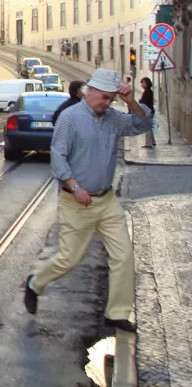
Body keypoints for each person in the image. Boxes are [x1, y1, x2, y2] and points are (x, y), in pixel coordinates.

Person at [24, 68, 153, 333]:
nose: (106, 103)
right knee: (69, 259)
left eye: (111, 98)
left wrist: (130, 102)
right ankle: (35, 283)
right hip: (77, 202)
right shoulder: (70, 118)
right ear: (89, 91)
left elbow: (144, 124)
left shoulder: (113, 118)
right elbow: (58, 155)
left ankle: (116, 313)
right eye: (103, 97)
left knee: (123, 255)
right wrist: (73, 184)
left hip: (106, 201)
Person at [139, 76, 156, 148]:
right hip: (149, 111)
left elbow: (146, 102)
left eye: (143, 83)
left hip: (148, 111)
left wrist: (141, 101)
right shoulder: (147, 91)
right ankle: (152, 141)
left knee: (147, 127)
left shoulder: (148, 92)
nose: (142, 84)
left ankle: (148, 143)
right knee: (149, 127)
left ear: (147, 83)